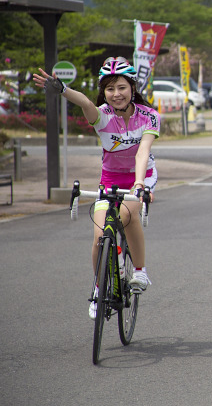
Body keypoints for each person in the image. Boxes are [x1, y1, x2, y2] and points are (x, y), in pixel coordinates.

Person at [33, 57, 159, 318]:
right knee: (100, 235)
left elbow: (142, 152)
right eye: (110, 88)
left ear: (132, 88)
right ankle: (100, 291)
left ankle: (139, 271)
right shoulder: (102, 116)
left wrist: (138, 186)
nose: (116, 94)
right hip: (110, 179)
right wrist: (64, 90)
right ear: (104, 91)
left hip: (141, 176)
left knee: (128, 213)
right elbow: (86, 103)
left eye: (122, 87)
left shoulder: (149, 116)